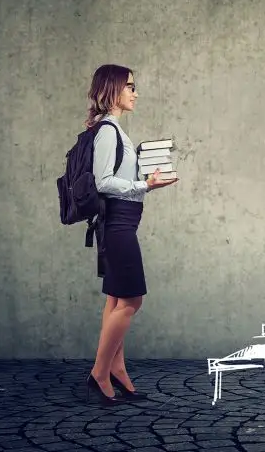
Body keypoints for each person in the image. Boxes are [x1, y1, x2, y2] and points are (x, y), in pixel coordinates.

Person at [82, 64, 178, 405]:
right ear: (113, 90)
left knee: (116, 300)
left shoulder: (114, 130)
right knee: (132, 300)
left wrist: (148, 184)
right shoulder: (108, 130)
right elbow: (103, 182)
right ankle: (99, 372)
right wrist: (143, 183)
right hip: (118, 224)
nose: (136, 93)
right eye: (130, 87)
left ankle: (117, 371)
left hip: (122, 221)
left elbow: (120, 183)